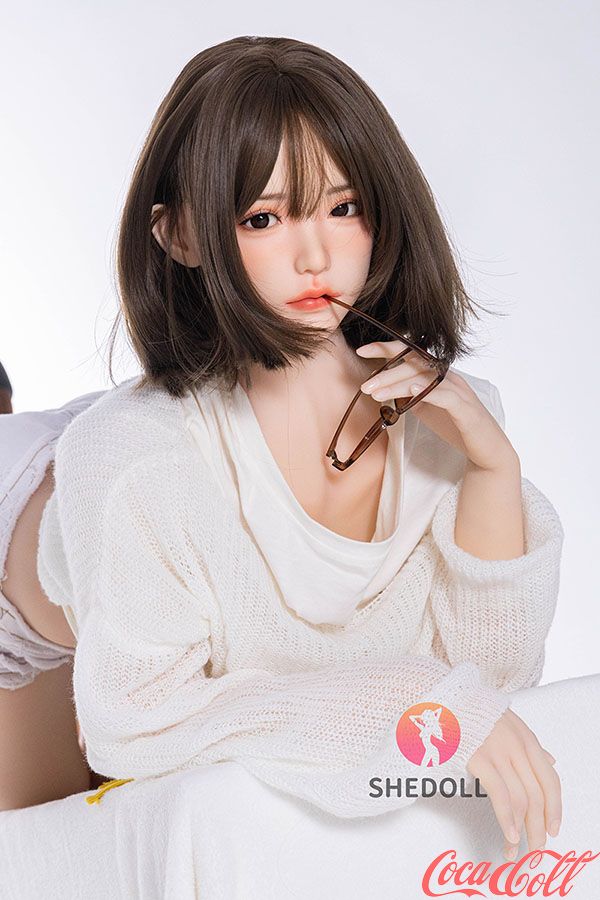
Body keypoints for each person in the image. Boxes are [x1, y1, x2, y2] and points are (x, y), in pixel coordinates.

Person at [0, 36, 590, 896]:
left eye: (343, 207)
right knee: (40, 853)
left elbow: (489, 692)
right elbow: (139, 725)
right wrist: (402, 698)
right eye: (264, 219)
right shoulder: (133, 465)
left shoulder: (450, 425)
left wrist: (494, 471)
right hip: (28, 567)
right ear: (181, 235)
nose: (315, 256)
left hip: (133, 537)